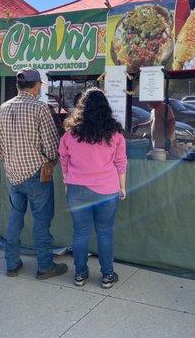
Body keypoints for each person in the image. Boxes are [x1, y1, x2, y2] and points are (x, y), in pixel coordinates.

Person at [0, 68, 67, 279]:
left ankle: (12, 264)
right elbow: (52, 145)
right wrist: (51, 161)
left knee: (15, 217)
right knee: (41, 221)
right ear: (36, 86)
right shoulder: (40, 108)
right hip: (37, 173)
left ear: (18, 86)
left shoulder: (3, 108)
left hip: (13, 174)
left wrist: (12, 161)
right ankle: (45, 266)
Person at [59, 88, 127, 289]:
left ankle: (80, 275)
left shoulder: (70, 134)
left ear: (81, 108)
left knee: (80, 232)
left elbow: (64, 158)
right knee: (105, 232)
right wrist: (122, 187)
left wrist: (66, 182)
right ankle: (107, 276)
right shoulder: (115, 134)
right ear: (105, 108)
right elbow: (121, 162)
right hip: (107, 189)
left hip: (77, 189)